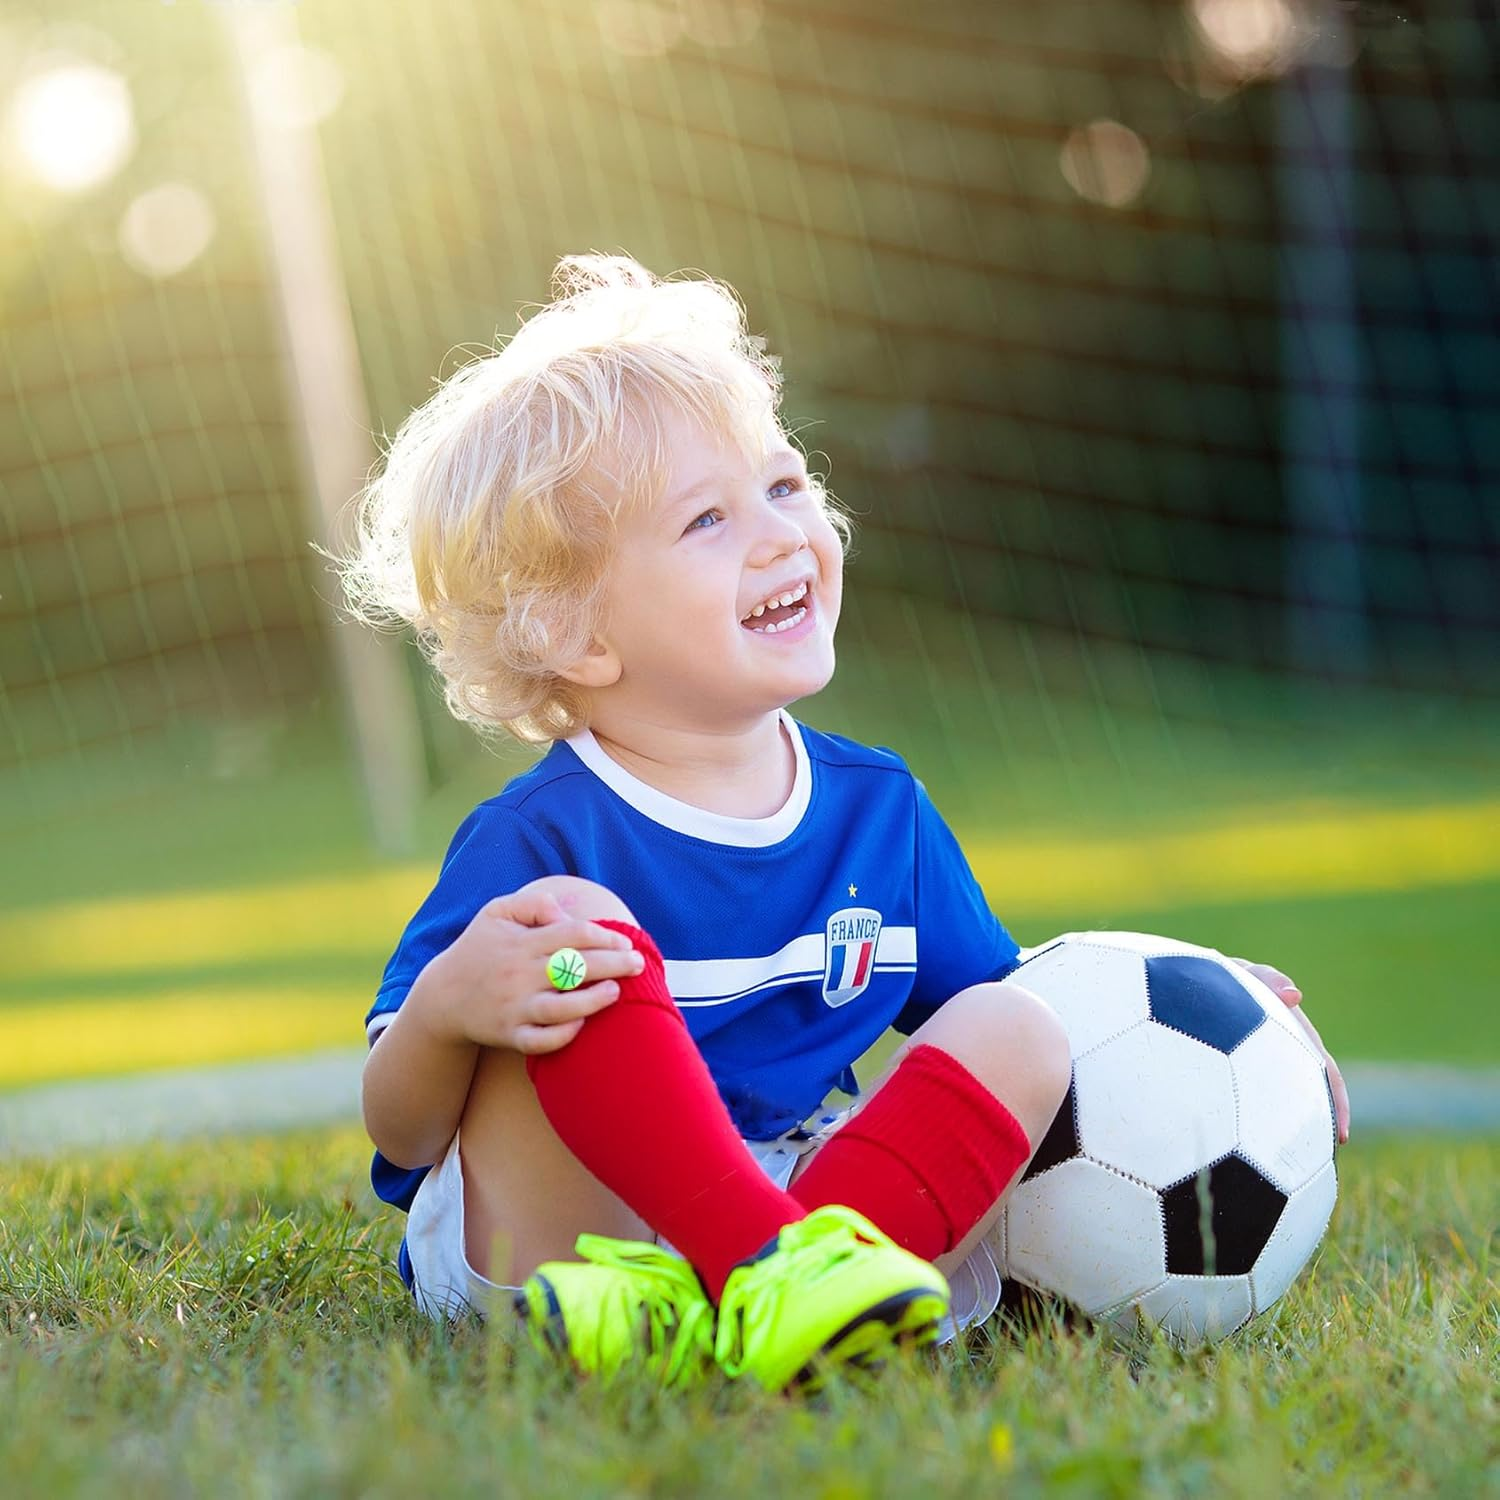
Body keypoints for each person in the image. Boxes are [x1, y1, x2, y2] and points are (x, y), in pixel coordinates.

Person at [334, 253, 1350, 1392]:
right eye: (708, 518)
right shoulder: (541, 841)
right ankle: (771, 1278)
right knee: (570, 935)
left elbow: (1035, 1012)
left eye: (782, 484)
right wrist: (449, 1008)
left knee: (1020, 1028)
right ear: (579, 638)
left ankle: (784, 1291)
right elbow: (404, 1131)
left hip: (811, 1195)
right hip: (576, 1246)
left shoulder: (881, 813)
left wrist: (1226, 998)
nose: (778, 532)